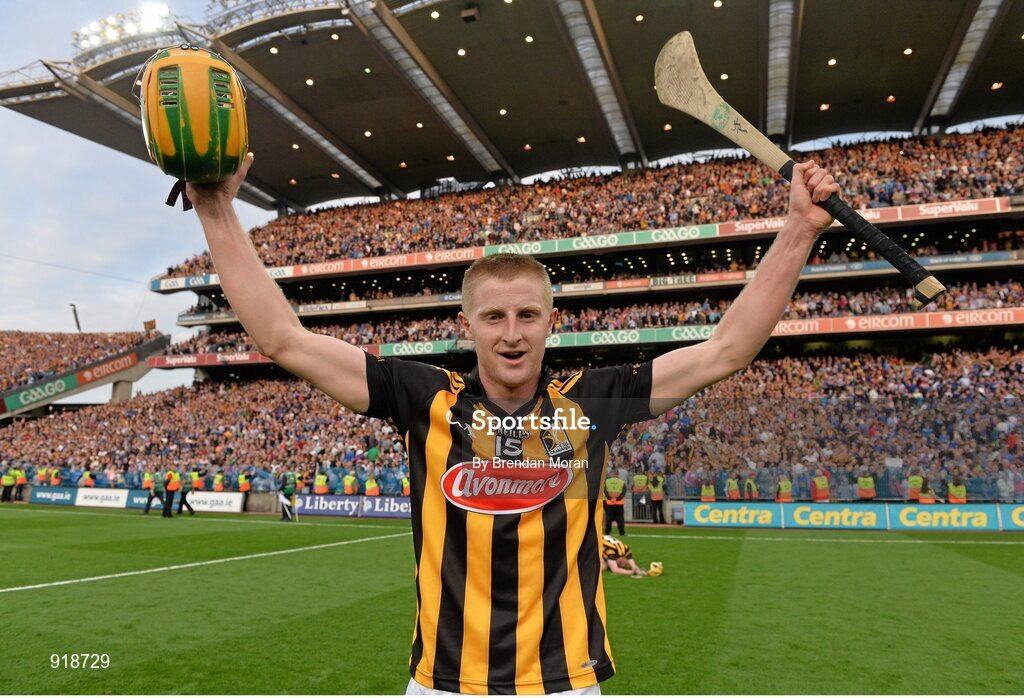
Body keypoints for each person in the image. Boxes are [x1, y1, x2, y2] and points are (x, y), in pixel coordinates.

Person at [187, 152, 838, 693]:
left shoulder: (592, 402)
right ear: (466, 326)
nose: (512, 333)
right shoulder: (424, 397)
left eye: (528, 315)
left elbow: (726, 350)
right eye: (494, 318)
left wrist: (799, 229)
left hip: (563, 682)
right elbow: (283, 339)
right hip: (444, 683)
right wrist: (217, 209)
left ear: (551, 322)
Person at [604, 468, 626, 536]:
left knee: (608, 518)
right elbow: (623, 492)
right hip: (619, 503)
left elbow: (605, 491)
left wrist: (611, 498)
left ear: (612, 474)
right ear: (618, 474)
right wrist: (617, 498)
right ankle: (621, 531)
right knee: (620, 518)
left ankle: (607, 531)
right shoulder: (622, 482)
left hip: (609, 503)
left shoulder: (607, 481)